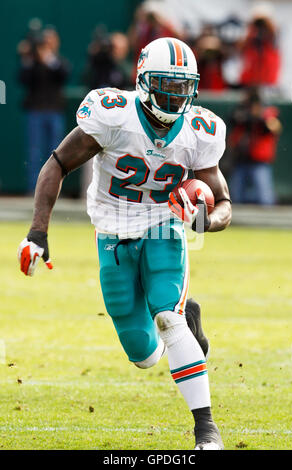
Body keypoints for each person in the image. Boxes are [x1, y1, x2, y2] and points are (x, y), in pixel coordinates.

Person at [17, 37, 232, 450]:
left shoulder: (200, 131)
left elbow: (222, 203)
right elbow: (57, 164)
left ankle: (205, 429)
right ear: (143, 80)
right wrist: (38, 232)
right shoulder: (113, 116)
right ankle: (189, 326)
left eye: (182, 86)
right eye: (166, 85)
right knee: (142, 353)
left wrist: (203, 221)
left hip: (163, 226)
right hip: (112, 232)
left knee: (168, 316)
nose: (174, 95)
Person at [18, 26, 70, 193]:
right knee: (35, 151)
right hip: (36, 110)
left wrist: (47, 57)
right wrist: (28, 57)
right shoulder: (32, 63)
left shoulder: (58, 61)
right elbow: (23, 78)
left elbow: (63, 74)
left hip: (55, 111)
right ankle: (33, 189)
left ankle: (53, 189)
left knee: (56, 152)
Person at [228, 88, 281, 204]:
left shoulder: (268, 114)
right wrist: (248, 116)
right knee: (235, 196)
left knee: (265, 198)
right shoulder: (241, 113)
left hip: (259, 161)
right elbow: (233, 119)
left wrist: (259, 117)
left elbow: (274, 127)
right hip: (240, 160)